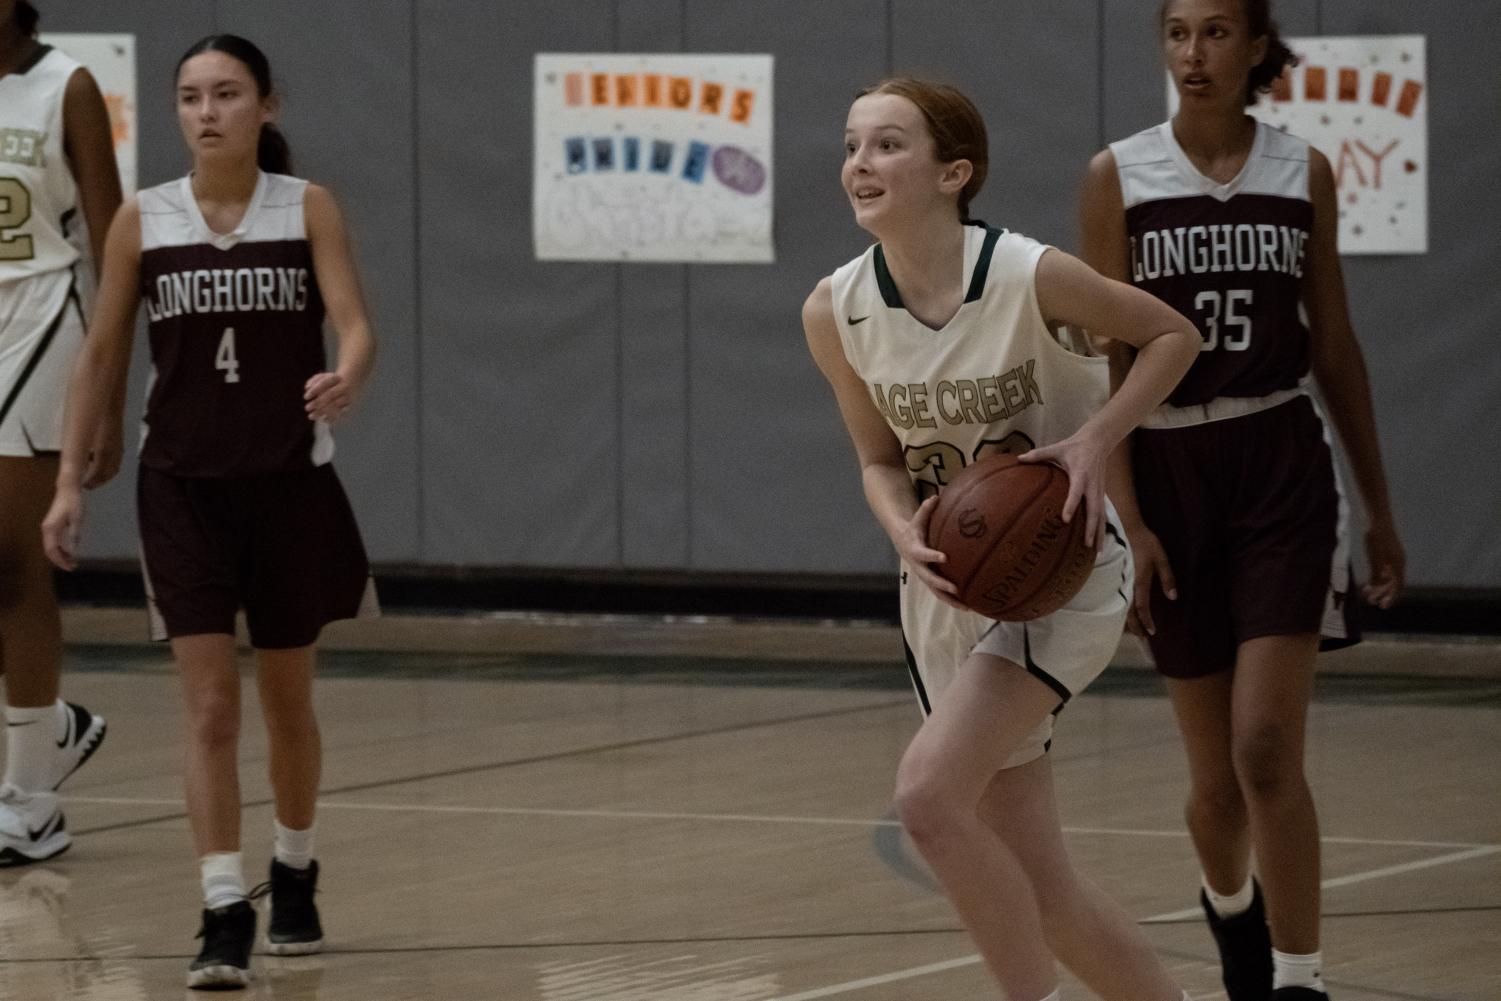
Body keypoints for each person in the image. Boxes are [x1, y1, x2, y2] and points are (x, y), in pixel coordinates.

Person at [804, 77, 1202, 1001]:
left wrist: (1095, 440)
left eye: (888, 145)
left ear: (954, 172)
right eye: (852, 144)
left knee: (927, 800)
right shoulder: (835, 310)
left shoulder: (1029, 275)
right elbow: (878, 459)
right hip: (947, 589)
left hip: (1055, 570)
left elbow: (1171, 337)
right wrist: (903, 529)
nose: (860, 162)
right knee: (1044, 883)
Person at [1078, 2, 1406, 999]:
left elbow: (1335, 342)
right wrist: (1129, 522)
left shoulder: (1298, 169)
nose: (1192, 53)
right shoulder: (1116, 176)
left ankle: (1299, 976)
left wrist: (1378, 503)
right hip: (1170, 474)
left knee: (1265, 745)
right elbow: (1111, 362)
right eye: (1176, 32)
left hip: (1278, 462)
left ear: (1258, 45)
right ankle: (1230, 908)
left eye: (1215, 32)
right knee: (1214, 785)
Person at [41, 34, 378, 990]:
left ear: (265, 105)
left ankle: (297, 867)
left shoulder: (306, 206)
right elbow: (101, 355)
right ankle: (223, 904)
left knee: (286, 703)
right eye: (190, 96)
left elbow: (353, 321)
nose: (206, 112)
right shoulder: (142, 221)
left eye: (226, 94)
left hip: (288, 485)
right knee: (210, 709)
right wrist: (69, 481)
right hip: (181, 488)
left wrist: (346, 373)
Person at [0, 0, 119, 866]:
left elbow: (118, 244)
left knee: (11, 562)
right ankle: (55, 730)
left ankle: (32, 802)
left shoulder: (64, 85)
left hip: (43, 318)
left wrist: (109, 393)